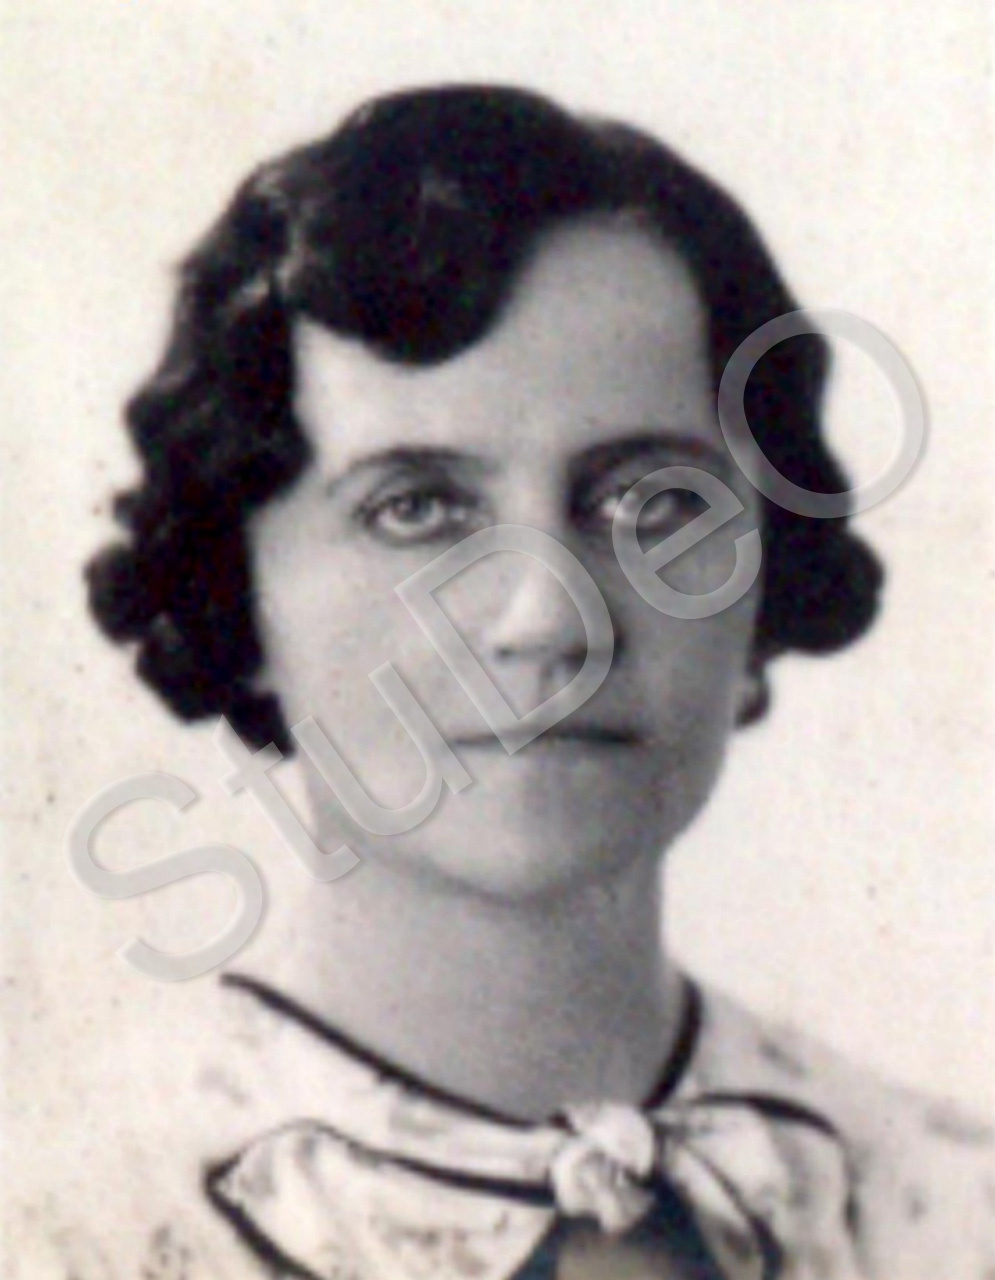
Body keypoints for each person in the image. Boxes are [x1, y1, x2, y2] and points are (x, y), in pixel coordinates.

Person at [72, 84, 992, 1278]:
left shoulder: (955, 1212)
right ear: (233, 594)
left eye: (648, 504)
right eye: (417, 508)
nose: (546, 619)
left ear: (763, 587)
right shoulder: (58, 1221)